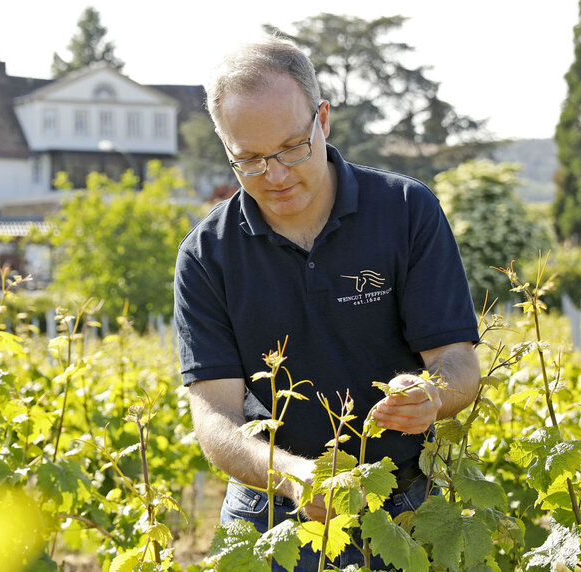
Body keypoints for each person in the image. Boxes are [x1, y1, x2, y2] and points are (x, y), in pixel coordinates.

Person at [172, 38, 481, 570]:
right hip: (265, 520)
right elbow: (216, 417)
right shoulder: (207, 255)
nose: (275, 174)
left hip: (400, 506)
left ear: (323, 120)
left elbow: (459, 364)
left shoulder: (407, 211)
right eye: (248, 159)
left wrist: (429, 393)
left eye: (292, 147)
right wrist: (294, 477)